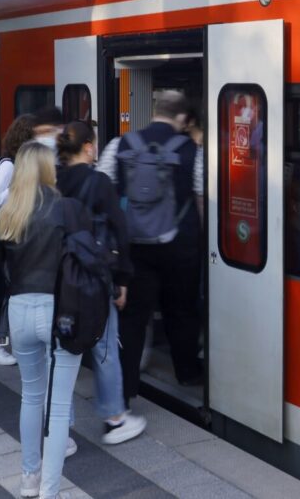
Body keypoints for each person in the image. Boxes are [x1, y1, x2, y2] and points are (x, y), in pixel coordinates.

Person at [0, 141, 90, 499]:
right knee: (59, 404)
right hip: (59, 312)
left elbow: (3, 268)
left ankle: (28, 478)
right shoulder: (67, 209)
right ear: (49, 169)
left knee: (31, 397)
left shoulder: (8, 210)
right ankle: (49, 492)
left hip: (19, 310)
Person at [56, 121, 147, 445]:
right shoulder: (99, 182)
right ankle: (114, 418)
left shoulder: (52, 179)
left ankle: (59, 429)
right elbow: (120, 231)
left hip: (59, 276)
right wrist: (122, 279)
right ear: (89, 147)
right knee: (106, 346)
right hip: (94, 276)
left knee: (62, 349)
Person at [115, 91, 204, 407]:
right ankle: (187, 372)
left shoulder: (122, 144)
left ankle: (124, 392)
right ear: (182, 118)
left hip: (135, 247)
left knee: (134, 318)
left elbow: (108, 192)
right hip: (180, 246)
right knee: (181, 310)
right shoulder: (192, 150)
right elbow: (201, 195)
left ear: (155, 111)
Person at [0, 114, 36, 365]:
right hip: (5, 235)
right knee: (3, 290)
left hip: (10, 232)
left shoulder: (15, 165)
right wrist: (18, 188)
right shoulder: (9, 166)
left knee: (7, 288)